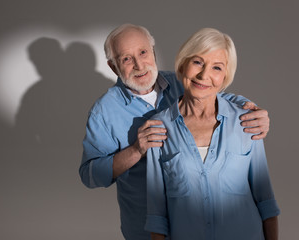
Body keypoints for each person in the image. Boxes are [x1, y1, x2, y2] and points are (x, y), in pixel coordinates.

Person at [79, 24, 270, 240]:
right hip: (144, 228)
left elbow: (217, 94)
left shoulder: (180, 83)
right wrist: (135, 150)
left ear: (153, 51)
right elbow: (90, 175)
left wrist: (250, 108)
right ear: (113, 67)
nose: (139, 65)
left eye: (143, 52)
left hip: (197, 225)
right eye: (126, 59)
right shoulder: (103, 111)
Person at [145, 28, 280, 240]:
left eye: (217, 67)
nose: (204, 75)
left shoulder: (246, 122)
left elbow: (266, 201)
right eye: (198, 62)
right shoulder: (158, 128)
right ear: (183, 64)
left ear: (225, 76)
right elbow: (157, 214)